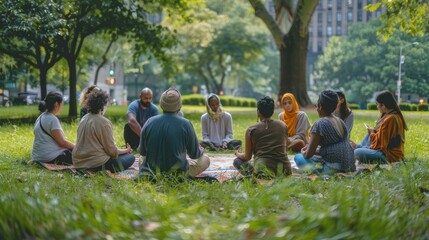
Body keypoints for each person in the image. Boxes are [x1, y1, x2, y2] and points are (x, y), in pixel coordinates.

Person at [138, 88, 210, 177]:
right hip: (178, 174)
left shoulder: (149, 122)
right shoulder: (185, 124)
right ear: (179, 106)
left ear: (161, 104)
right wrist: (201, 150)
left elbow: (143, 152)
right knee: (205, 159)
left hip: (151, 172)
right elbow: (194, 155)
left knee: (141, 159)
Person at [294, 90, 356, 175]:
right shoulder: (340, 121)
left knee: (298, 157)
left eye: (316, 105)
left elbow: (308, 154)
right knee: (315, 157)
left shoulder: (320, 124)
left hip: (333, 167)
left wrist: (303, 151)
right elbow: (332, 148)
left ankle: (319, 171)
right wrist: (313, 149)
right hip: (348, 164)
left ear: (320, 106)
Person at [73, 89, 135, 172]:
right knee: (131, 157)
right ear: (102, 106)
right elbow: (112, 152)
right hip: (96, 163)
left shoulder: (84, 118)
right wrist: (126, 150)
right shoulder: (104, 122)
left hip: (78, 162)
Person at [233, 96, 291, 178]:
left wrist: (237, 153)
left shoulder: (251, 130)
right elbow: (285, 150)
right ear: (272, 111)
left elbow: (247, 157)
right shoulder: (283, 125)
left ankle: (253, 176)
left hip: (262, 172)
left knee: (237, 161)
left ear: (258, 112)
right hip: (285, 171)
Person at [354, 90, 407, 164]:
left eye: (377, 104)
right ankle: (360, 147)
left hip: (389, 155)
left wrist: (372, 132)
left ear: (383, 105)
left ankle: (358, 147)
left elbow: (380, 146)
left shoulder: (390, 119)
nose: (377, 106)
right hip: (384, 150)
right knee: (368, 135)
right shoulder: (393, 115)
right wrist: (372, 131)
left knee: (357, 152)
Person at [31, 91, 75, 165]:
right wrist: (77, 146)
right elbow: (62, 143)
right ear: (56, 104)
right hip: (48, 157)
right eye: (61, 105)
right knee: (81, 157)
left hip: (37, 156)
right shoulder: (52, 119)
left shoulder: (41, 117)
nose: (61, 108)